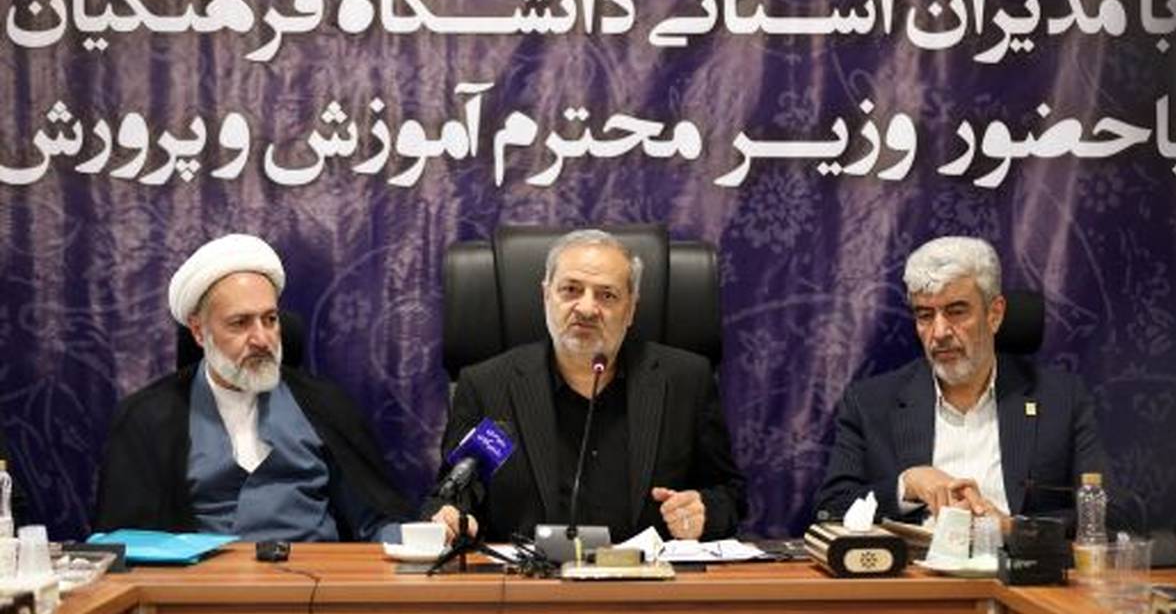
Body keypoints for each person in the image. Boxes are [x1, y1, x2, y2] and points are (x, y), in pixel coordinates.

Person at [426, 229, 745, 544]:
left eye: (607, 295)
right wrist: (452, 518)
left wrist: (705, 513)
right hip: (530, 574)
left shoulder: (686, 381)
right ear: (546, 296)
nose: (587, 309)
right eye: (571, 290)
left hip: (649, 574)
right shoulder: (487, 387)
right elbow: (453, 495)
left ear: (631, 309)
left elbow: (729, 494)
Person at [94, 234, 408, 542]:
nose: (262, 339)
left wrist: (414, 542)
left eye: (270, 319)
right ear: (199, 332)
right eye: (240, 323)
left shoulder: (326, 405)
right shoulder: (146, 418)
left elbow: (377, 521)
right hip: (203, 576)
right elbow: (126, 543)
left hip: (315, 574)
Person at [816, 236, 1109, 532]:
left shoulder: (1060, 399)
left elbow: (1113, 511)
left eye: (956, 311)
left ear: (994, 314)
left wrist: (1013, 529)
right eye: (925, 315)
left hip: (1016, 560)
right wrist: (907, 485)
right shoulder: (870, 403)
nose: (940, 332)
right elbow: (831, 509)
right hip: (917, 561)